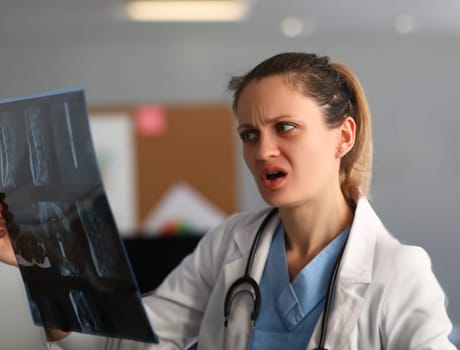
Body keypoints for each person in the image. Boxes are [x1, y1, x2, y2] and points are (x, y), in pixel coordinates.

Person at [0, 52, 456, 349]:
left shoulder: (397, 272)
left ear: (344, 136)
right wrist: (43, 266)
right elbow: (121, 343)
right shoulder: (231, 243)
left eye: (286, 128)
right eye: (249, 134)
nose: (263, 150)